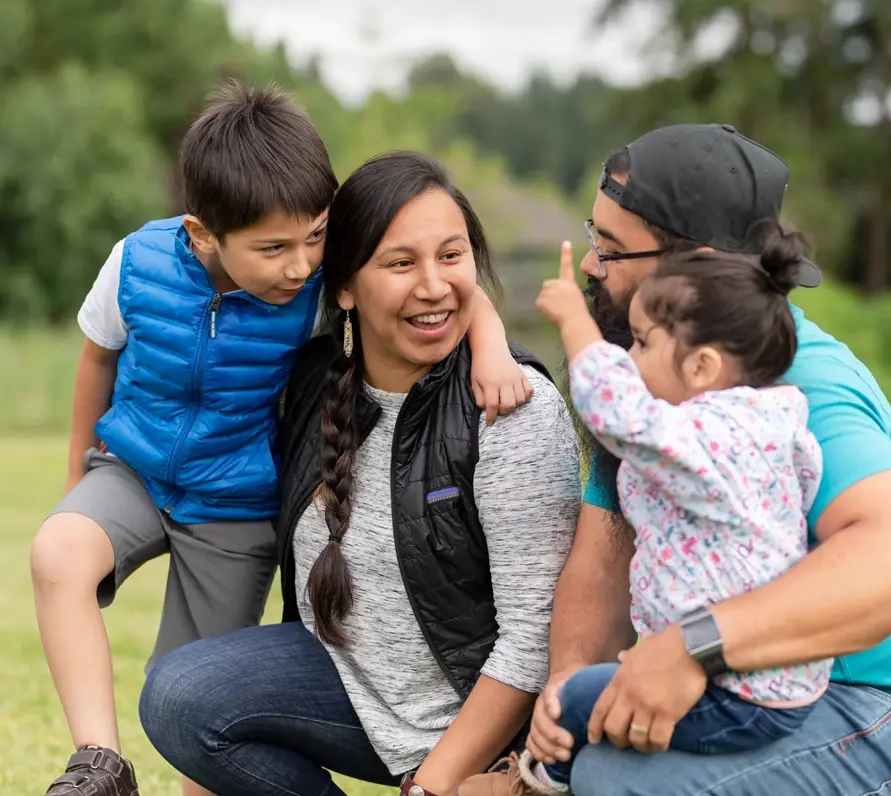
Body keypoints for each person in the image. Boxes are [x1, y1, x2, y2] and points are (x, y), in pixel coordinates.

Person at [31, 84, 531, 796]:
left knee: (194, 702)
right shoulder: (135, 265)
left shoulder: (314, 282)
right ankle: (98, 764)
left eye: (315, 237)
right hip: (134, 469)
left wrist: (493, 350)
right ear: (203, 233)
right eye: (272, 248)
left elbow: (446, 280)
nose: (299, 266)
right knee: (57, 552)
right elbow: (97, 358)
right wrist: (79, 476)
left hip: (235, 502)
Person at [461, 124, 891, 796]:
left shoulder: (801, 377)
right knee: (596, 764)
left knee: (620, 783)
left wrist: (696, 646)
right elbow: (600, 561)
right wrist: (565, 704)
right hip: (750, 697)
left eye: (612, 249)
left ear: (696, 266)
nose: (592, 266)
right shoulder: (649, 376)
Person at [135, 151, 582, 796]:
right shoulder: (310, 382)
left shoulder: (509, 408)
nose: (432, 285)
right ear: (343, 286)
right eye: (400, 263)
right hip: (350, 691)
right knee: (179, 697)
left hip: (472, 721)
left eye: (451, 256)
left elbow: (531, 639)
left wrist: (434, 785)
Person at [486, 229, 832, 796]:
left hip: (738, 693)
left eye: (643, 343)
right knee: (598, 692)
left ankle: (539, 784)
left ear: (701, 368)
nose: (628, 356)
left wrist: (576, 324)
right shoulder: (768, 422)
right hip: (769, 681)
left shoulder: (715, 436)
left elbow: (622, 415)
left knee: (575, 702)